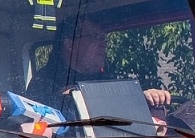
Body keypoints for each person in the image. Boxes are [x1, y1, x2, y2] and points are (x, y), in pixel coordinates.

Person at [27, 16, 170, 112]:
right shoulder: (44, 81)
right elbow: (38, 126)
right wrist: (65, 98)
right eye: (94, 37)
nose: (103, 44)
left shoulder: (108, 78)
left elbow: (122, 110)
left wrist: (146, 98)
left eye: (103, 38)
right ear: (69, 44)